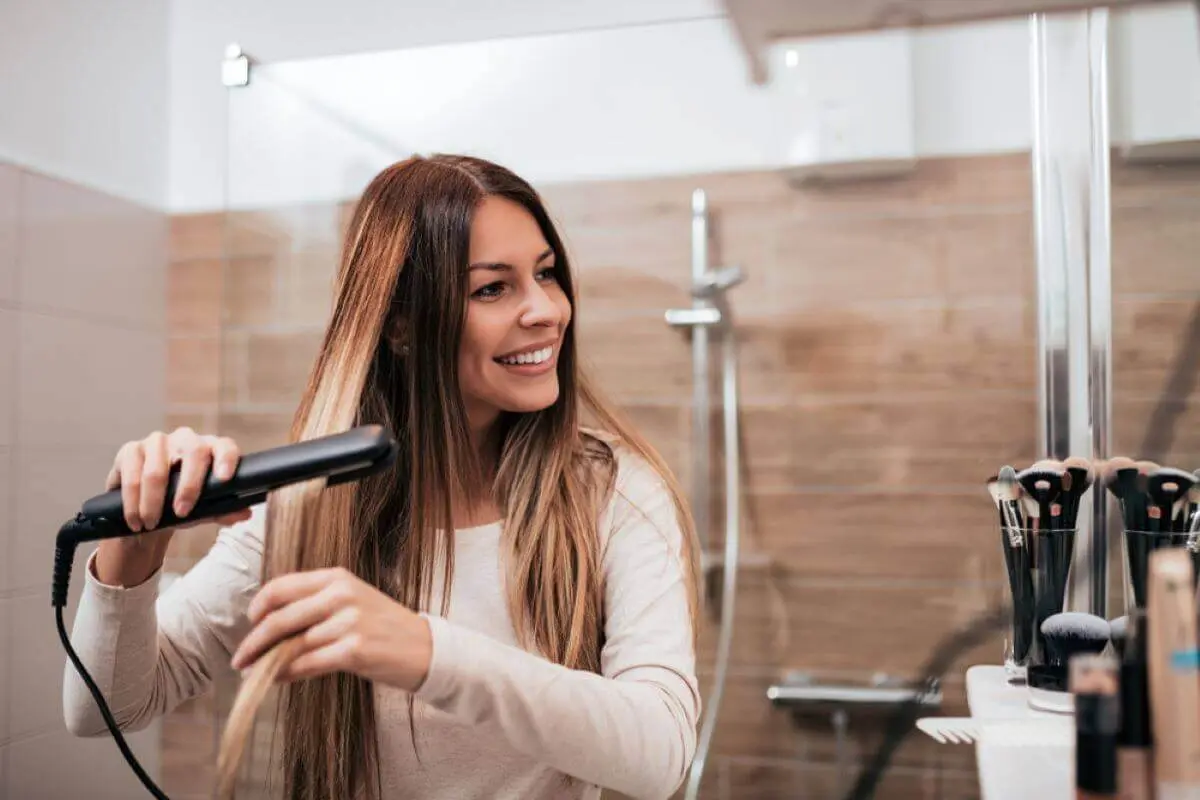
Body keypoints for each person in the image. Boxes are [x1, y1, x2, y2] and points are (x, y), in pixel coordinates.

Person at [62, 154, 703, 800]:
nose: (547, 310)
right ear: (400, 325)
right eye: (493, 288)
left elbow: (662, 754)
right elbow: (103, 709)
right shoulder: (309, 507)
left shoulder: (614, 491)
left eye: (546, 274)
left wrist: (428, 653)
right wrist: (133, 553)